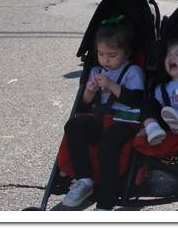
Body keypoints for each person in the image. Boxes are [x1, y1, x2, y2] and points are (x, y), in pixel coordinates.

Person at [61, 18, 145, 210]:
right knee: (74, 125)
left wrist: (111, 86)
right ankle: (84, 179)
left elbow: (136, 100)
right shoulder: (96, 70)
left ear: (126, 53)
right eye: (101, 54)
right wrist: (89, 91)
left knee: (108, 144)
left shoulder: (133, 72)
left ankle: (106, 202)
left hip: (126, 121)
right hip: (101, 118)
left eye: (112, 55)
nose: (105, 60)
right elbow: (85, 104)